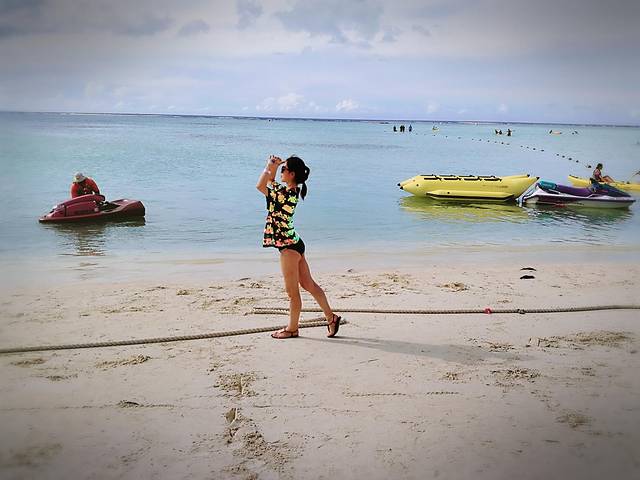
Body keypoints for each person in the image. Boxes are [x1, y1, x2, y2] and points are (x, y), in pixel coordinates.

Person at [256, 155, 342, 339]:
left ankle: (292, 329)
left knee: (292, 293)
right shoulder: (289, 191)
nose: (281, 172)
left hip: (289, 247)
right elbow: (269, 181)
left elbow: (260, 186)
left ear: (292, 174)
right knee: (308, 284)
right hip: (295, 242)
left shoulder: (286, 194)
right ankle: (331, 317)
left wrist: (269, 165)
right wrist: (274, 166)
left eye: (283, 169)